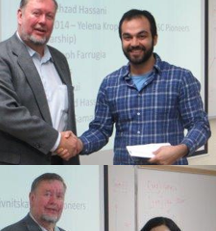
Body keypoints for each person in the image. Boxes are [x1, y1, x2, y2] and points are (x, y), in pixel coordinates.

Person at [59, 9, 211, 165]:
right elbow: (100, 130)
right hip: (124, 176)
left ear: (155, 38)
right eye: (127, 37)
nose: (134, 43)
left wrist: (181, 149)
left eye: (142, 36)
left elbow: (200, 125)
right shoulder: (110, 84)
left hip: (169, 174)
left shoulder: (180, 78)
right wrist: (80, 143)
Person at [0, 0, 80, 165]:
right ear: (19, 15)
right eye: (37, 13)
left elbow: (64, 116)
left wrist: (70, 144)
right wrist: (56, 140)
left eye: (49, 16)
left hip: (61, 163)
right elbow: (5, 113)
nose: (43, 21)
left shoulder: (60, 59)